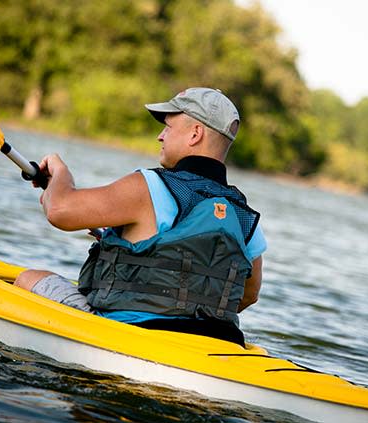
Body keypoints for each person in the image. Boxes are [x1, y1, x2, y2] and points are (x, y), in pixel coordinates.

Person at [15, 88, 266, 346]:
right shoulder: (244, 214)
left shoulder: (149, 185)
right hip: (215, 343)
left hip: (133, 336)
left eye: (168, 127)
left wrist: (60, 174)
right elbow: (248, 295)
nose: (160, 136)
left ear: (195, 134)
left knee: (30, 278)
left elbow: (59, 210)